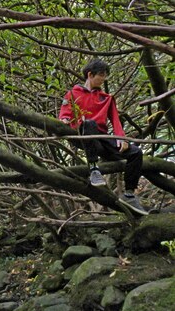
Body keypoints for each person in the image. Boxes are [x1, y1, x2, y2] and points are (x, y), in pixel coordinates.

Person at [59, 58, 147, 215]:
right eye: (101, 74)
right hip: (83, 134)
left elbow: (116, 121)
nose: (104, 78)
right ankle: (94, 169)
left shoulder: (107, 98)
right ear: (90, 75)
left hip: (103, 138)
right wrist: (65, 120)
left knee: (136, 153)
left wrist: (122, 138)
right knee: (90, 123)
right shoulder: (72, 94)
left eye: (105, 75)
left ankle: (129, 194)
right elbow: (65, 113)